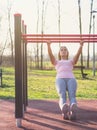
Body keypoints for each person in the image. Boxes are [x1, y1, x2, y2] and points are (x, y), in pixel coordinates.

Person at [47, 40, 84, 120]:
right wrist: (48, 46)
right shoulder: (56, 62)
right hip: (60, 79)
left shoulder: (70, 61)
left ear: (67, 52)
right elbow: (51, 56)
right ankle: (64, 110)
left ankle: (73, 109)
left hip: (71, 79)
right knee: (62, 95)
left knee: (72, 95)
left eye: (65, 50)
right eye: (61, 50)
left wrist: (80, 46)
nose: (63, 51)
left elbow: (77, 56)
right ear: (59, 53)